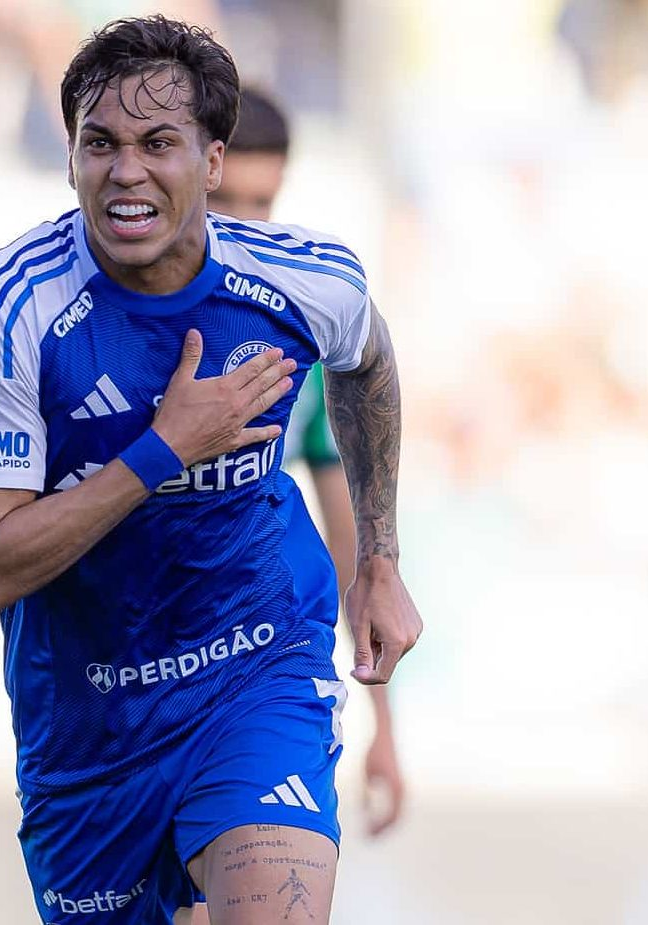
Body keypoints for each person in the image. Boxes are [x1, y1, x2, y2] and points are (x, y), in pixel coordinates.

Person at [0, 16, 420, 925]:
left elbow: (369, 361)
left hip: (255, 668)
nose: (126, 170)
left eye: (157, 143)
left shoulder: (303, 278)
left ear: (211, 160)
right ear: (69, 158)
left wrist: (380, 559)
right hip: (91, 723)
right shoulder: (5, 311)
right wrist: (163, 451)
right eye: (99, 144)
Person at [210, 85, 406, 837]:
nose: (244, 225)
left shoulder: (304, 338)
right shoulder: (104, 326)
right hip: (124, 682)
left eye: (263, 202)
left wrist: (384, 726)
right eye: (225, 201)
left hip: (260, 661)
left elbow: (353, 541)